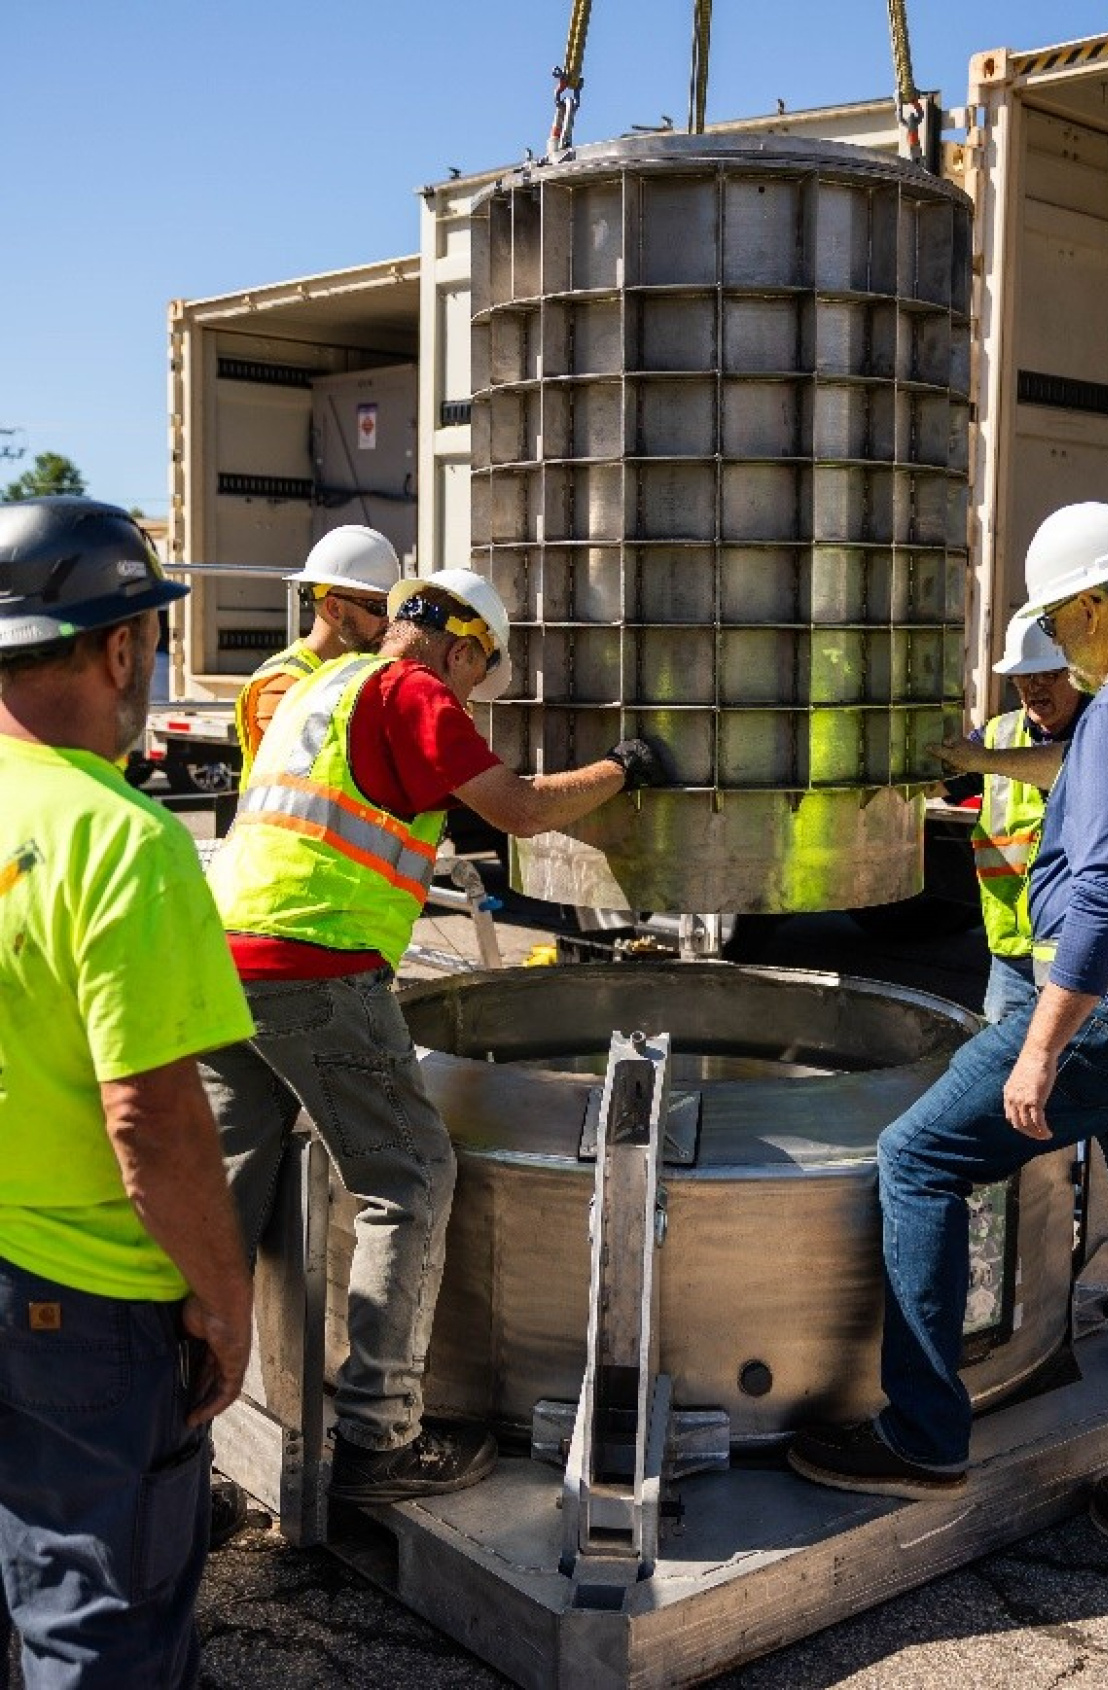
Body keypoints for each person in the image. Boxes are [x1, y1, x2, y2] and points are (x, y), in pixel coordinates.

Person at [789, 502, 1108, 1590]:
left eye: (1059, 616)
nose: (1058, 637)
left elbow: (1103, 891)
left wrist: (1040, 1045)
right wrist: (971, 754)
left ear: (1094, 603)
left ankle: (921, 1436)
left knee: (917, 1157)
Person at [199, 567, 662, 1505]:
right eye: (476, 676)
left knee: (219, 1205)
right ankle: (379, 1438)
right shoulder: (412, 689)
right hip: (315, 966)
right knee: (407, 1175)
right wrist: (625, 769)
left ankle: (173, 1430)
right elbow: (523, 810)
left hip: (222, 965)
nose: (469, 696)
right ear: (456, 647)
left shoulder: (319, 685)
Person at [0, 497, 256, 1685]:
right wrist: (223, 1295)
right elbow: (151, 1122)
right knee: (98, 1618)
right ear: (118, 646)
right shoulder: (124, 840)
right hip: (85, 1306)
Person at [933, 615, 1087, 1022]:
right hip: (1013, 955)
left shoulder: (1105, 725)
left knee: (1071, 1074)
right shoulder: (999, 736)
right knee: (1003, 1072)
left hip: (1083, 951)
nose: (1033, 688)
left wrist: (987, 762)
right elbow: (935, 783)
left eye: (1047, 675)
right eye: (1022, 678)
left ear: (1075, 675)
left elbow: (1069, 766)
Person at [234, 525, 400, 784]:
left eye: (391, 608)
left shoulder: (364, 670)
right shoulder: (283, 684)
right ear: (334, 608)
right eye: (378, 608)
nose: (388, 622)